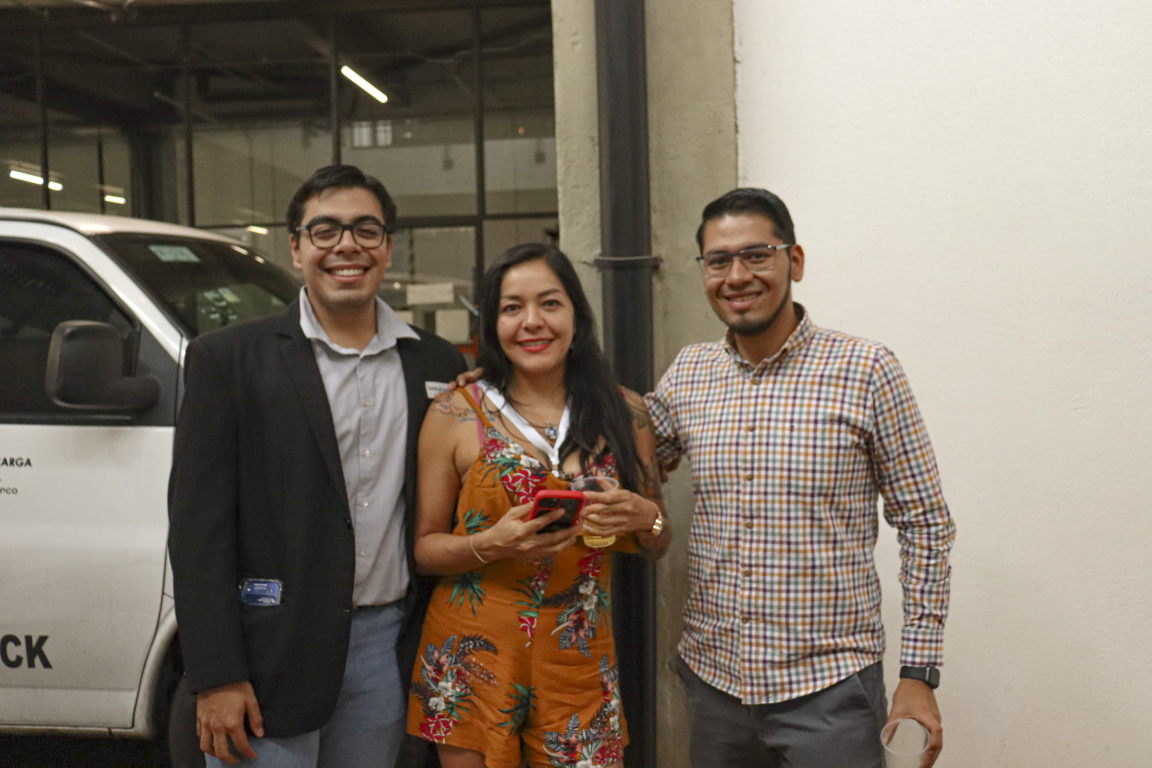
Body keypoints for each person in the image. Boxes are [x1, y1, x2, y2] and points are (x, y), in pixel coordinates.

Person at [645, 188, 956, 768]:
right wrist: (502, 390)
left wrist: (918, 674)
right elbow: (631, 456)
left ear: (795, 260)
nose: (737, 275)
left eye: (756, 255)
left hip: (830, 693)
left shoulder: (866, 369)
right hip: (715, 687)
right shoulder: (689, 373)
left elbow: (926, 524)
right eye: (719, 260)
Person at [167, 164, 467, 767]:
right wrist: (216, 673)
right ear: (297, 247)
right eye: (325, 230)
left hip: (385, 651)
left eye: (366, 230)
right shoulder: (228, 360)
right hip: (266, 654)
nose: (346, 245)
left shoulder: (436, 365)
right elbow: (199, 532)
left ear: (387, 248)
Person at [407, 243, 670, 768]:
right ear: (493, 324)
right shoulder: (454, 412)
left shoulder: (626, 412)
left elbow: (656, 543)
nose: (532, 322)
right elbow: (425, 550)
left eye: (550, 303)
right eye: (512, 307)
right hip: (471, 656)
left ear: (576, 315)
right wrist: (491, 544)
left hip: (579, 659)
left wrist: (649, 518)